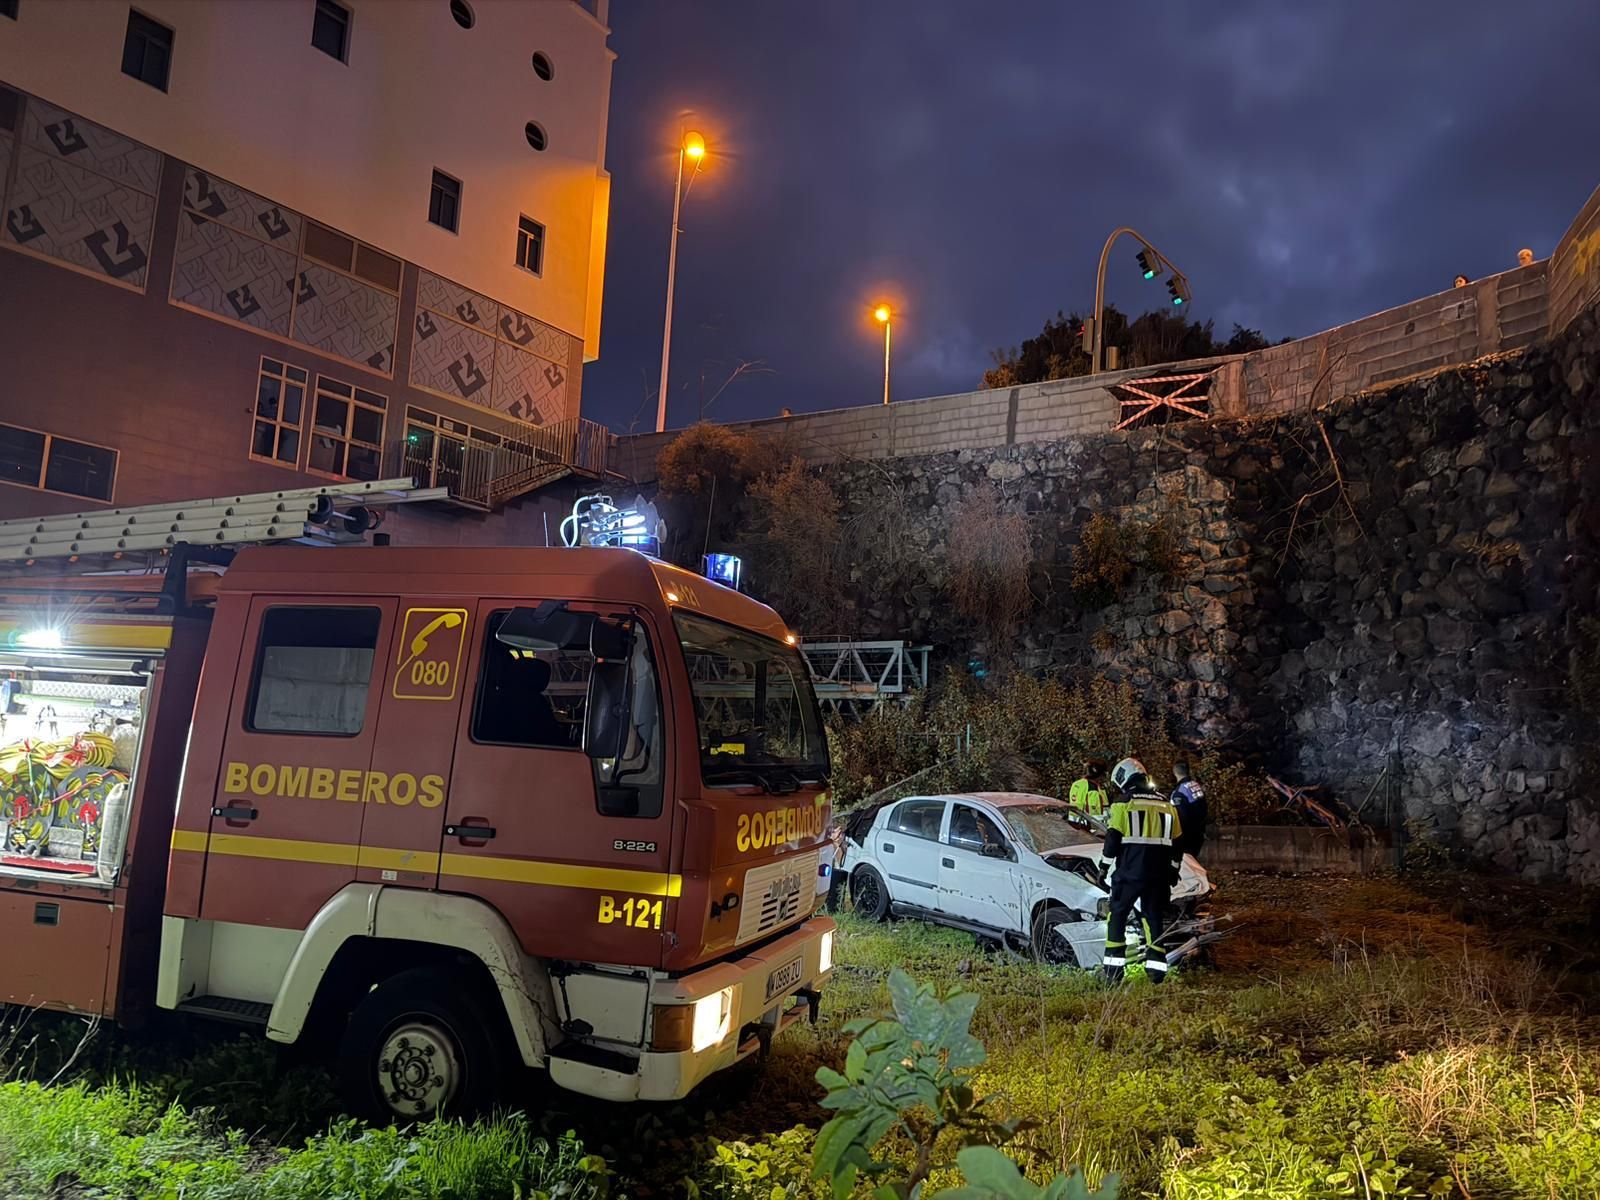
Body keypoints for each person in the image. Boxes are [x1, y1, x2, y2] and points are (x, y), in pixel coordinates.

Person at [1100, 756, 1184, 985]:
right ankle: (1157, 972)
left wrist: (1103, 868)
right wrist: (1173, 870)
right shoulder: (1167, 804)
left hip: (1129, 874)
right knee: (1153, 917)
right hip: (1158, 876)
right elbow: (1178, 843)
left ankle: (1113, 973)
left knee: (1116, 916)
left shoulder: (1123, 803)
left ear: (1123, 779)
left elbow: (1113, 839)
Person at [1170, 761, 1208, 859]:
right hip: (1199, 833)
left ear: (1175, 773)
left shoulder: (1179, 792)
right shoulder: (1195, 785)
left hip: (1187, 837)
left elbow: (1181, 817)